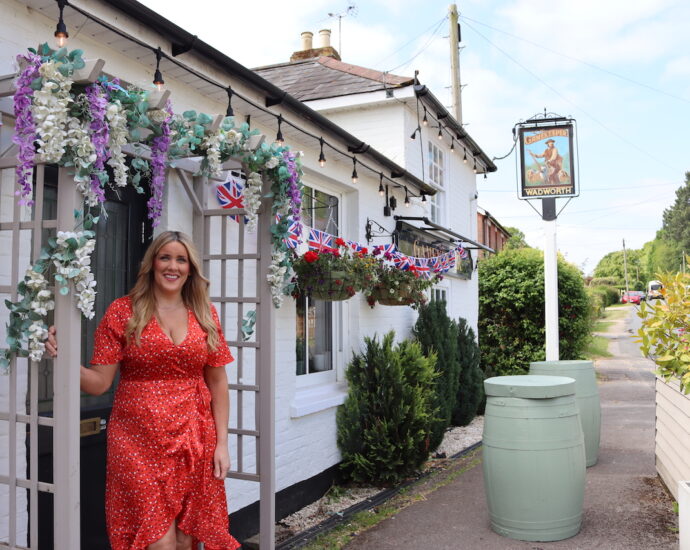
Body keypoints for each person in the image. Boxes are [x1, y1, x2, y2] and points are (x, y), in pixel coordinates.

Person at [46, 231, 240, 550]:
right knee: (158, 541)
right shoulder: (124, 312)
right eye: (165, 257)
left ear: (190, 268)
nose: (172, 266)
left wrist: (222, 444)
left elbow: (218, 383)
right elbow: (99, 383)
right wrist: (63, 358)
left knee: (184, 537)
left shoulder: (204, 314)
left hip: (194, 437)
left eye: (181, 259)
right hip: (137, 440)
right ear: (151, 264)